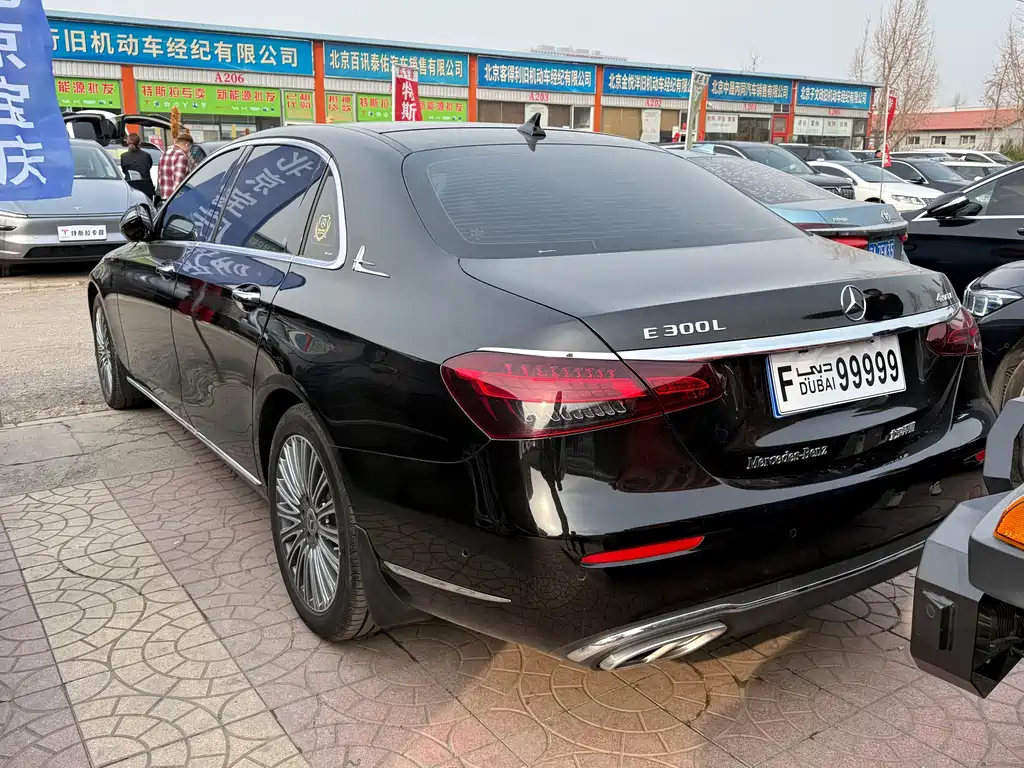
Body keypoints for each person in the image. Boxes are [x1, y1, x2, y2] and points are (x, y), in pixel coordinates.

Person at [157, 131, 194, 205]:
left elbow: (159, 176)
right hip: (176, 200)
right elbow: (178, 183)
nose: (189, 151)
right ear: (187, 144)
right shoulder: (181, 157)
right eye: (190, 148)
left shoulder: (165, 154)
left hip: (164, 197)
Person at [120, 133, 155, 201]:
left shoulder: (124, 156)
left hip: (131, 187)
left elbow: (124, 170)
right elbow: (149, 166)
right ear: (139, 142)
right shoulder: (146, 155)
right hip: (146, 187)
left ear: (127, 142)